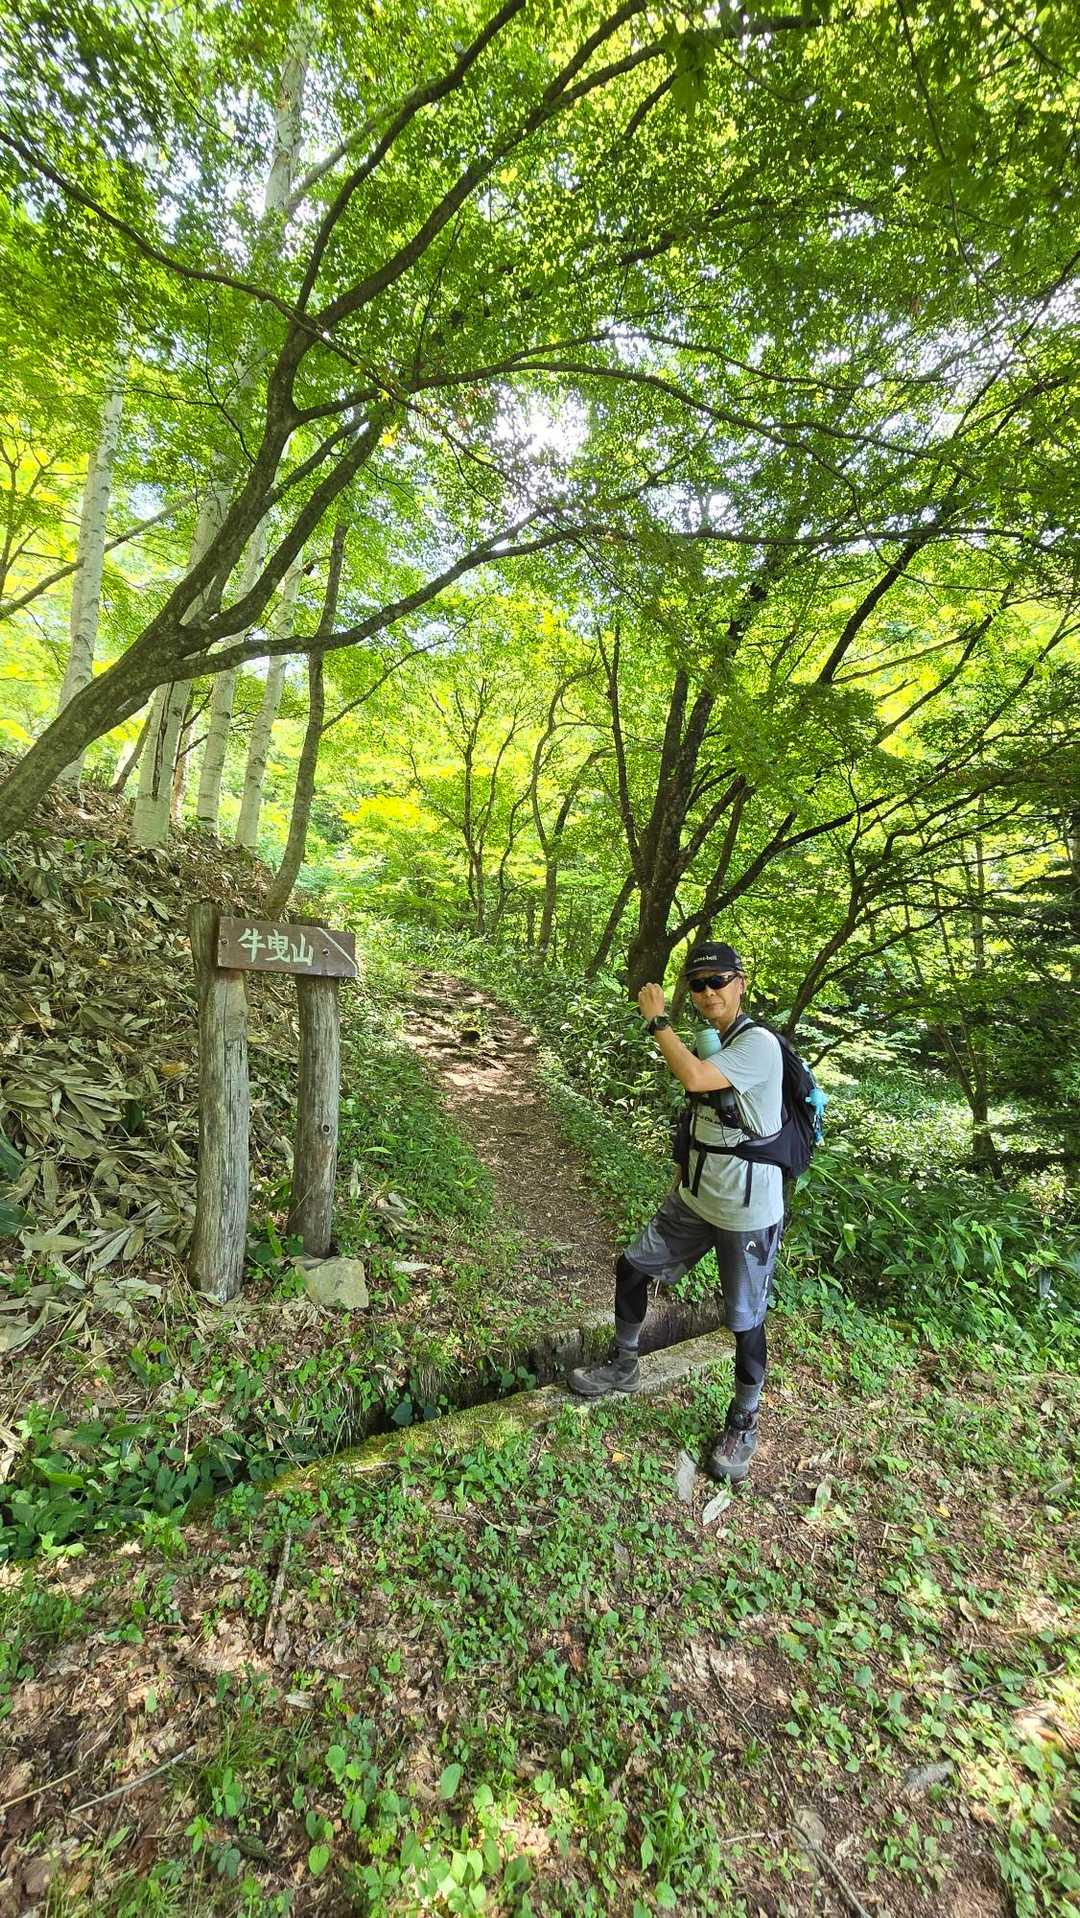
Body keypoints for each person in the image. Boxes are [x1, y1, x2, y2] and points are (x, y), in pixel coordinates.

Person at [567, 940, 784, 1483]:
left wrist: (657, 1020)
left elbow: (693, 1080)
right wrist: (679, 1178)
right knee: (632, 1267)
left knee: (744, 1320)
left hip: (746, 1209)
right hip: (695, 1195)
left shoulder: (758, 1044)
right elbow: (701, 1116)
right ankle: (624, 1363)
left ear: (741, 984)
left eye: (718, 981)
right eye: (698, 984)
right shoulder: (716, 1041)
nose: (708, 991)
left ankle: (743, 1421)